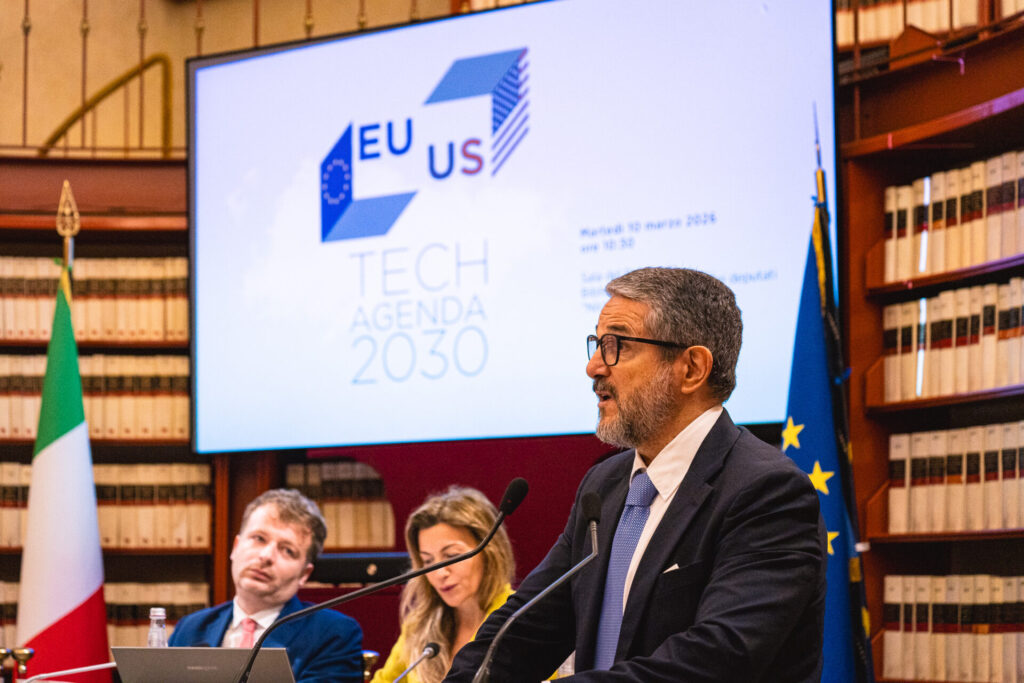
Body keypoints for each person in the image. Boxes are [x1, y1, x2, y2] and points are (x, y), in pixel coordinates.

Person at [445, 267, 826, 682]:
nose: (593, 367)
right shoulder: (604, 484)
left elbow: (716, 658)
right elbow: (525, 629)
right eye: (597, 345)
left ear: (692, 368)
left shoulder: (766, 492)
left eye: (617, 346)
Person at [170, 488, 364, 682]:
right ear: (235, 547)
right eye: (259, 539)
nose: (266, 556)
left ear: (304, 574)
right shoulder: (190, 628)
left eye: (287, 550)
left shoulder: (333, 634)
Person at [371, 487, 515, 683]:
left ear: (490, 551)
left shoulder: (520, 619)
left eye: (452, 556)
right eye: (428, 561)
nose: (439, 573)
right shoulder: (419, 626)